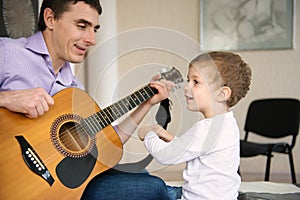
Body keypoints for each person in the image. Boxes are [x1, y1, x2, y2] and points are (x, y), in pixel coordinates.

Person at [0, 0, 175, 199]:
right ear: (50, 19)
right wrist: (6, 98)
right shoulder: (7, 53)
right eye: (82, 26)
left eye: (95, 30)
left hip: (44, 188)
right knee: (155, 189)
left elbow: (106, 145)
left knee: (145, 181)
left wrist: (147, 102)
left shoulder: (75, 92)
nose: (91, 39)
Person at [138, 51, 252, 199]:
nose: (186, 87)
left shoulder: (206, 129)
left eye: (196, 82)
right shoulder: (227, 123)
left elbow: (165, 156)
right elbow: (194, 149)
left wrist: (148, 134)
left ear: (222, 94)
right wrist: (165, 134)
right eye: (188, 80)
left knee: (141, 181)